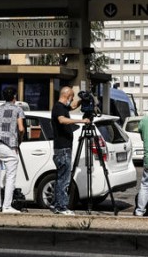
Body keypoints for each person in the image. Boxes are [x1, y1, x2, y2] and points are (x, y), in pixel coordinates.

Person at [51, 86, 90, 215]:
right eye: (71, 97)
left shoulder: (62, 107)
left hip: (63, 148)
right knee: (64, 179)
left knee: (60, 178)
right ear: (67, 96)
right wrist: (81, 121)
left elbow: (72, 107)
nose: (72, 100)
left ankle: (57, 205)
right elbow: (62, 120)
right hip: (62, 149)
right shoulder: (58, 107)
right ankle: (62, 207)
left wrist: (82, 100)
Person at [0, 87, 25, 214]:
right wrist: (19, 141)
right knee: (10, 177)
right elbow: (21, 129)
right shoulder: (18, 109)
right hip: (9, 146)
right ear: (14, 96)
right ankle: (6, 206)